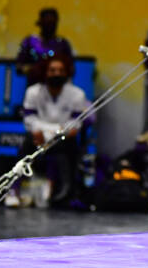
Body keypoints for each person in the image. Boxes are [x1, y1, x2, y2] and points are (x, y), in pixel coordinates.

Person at [21, 55, 91, 207]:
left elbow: (74, 126)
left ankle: (65, 191)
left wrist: (49, 134)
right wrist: (41, 131)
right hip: (38, 136)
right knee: (26, 144)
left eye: (60, 70)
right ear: (45, 72)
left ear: (67, 73)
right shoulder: (33, 92)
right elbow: (29, 119)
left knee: (68, 146)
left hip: (62, 138)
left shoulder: (77, 94)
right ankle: (19, 188)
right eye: (52, 70)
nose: (56, 74)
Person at [16, 7, 74, 86]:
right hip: (35, 87)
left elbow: (71, 69)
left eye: (52, 23)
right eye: (47, 23)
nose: (50, 26)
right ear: (40, 23)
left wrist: (57, 72)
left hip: (58, 88)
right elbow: (19, 67)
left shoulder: (62, 43)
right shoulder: (30, 41)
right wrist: (36, 69)